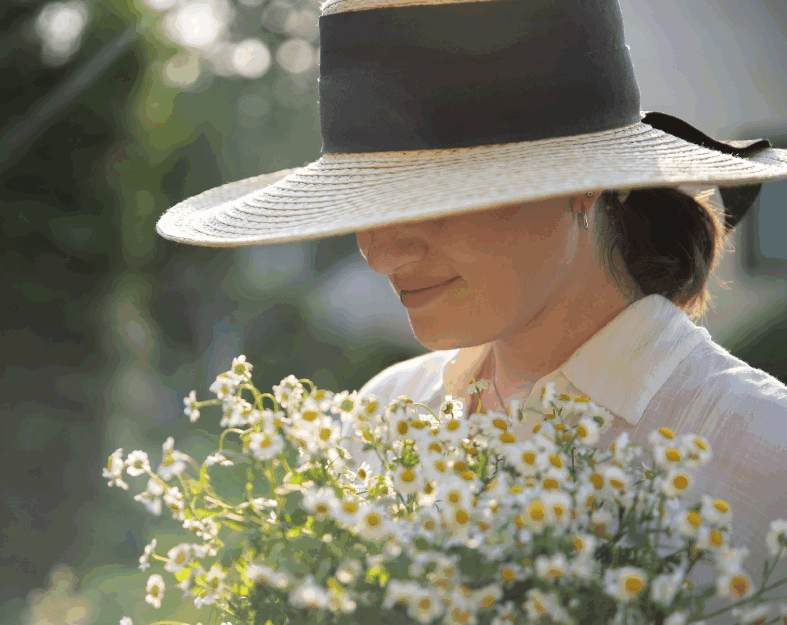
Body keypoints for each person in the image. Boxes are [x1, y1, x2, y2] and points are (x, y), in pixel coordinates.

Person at [153, 0, 787, 623]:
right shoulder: (387, 417)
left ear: (580, 182)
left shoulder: (765, 457)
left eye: (433, 198)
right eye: (367, 205)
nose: (379, 253)